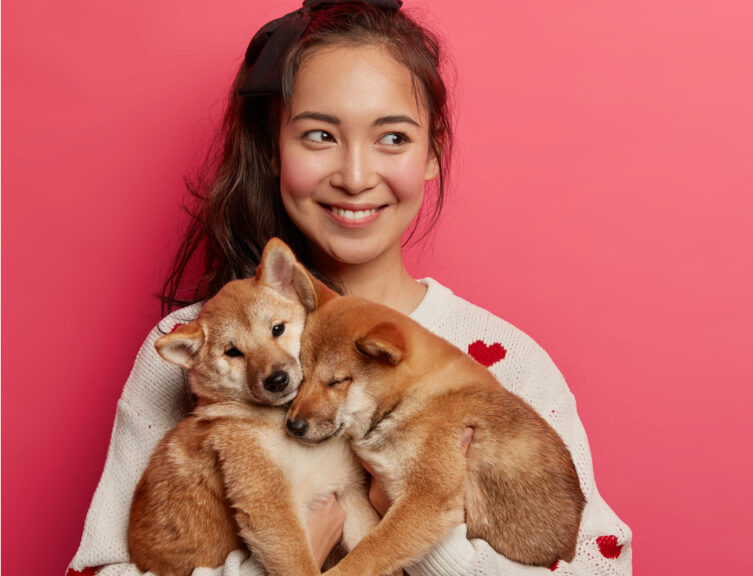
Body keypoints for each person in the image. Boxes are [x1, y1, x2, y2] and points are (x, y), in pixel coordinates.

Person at [67, 1, 632, 575]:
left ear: (433, 152)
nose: (356, 176)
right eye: (319, 135)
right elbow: (96, 568)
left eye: (392, 137)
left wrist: (434, 537)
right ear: (272, 150)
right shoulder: (198, 352)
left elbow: (604, 563)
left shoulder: (504, 359)